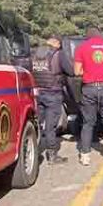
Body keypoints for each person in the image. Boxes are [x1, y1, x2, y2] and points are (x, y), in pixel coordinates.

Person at [74, 27, 103, 166]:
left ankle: (85, 156)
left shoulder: (82, 48)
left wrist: (87, 70)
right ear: (100, 36)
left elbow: (77, 71)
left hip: (89, 89)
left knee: (88, 124)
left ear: (87, 37)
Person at [32, 35, 68, 165]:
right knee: (50, 126)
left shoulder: (35, 53)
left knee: (37, 123)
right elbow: (69, 70)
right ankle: (52, 155)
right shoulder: (58, 54)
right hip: (53, 92)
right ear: (57, 43)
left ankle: (33, 151)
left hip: (37, 92)